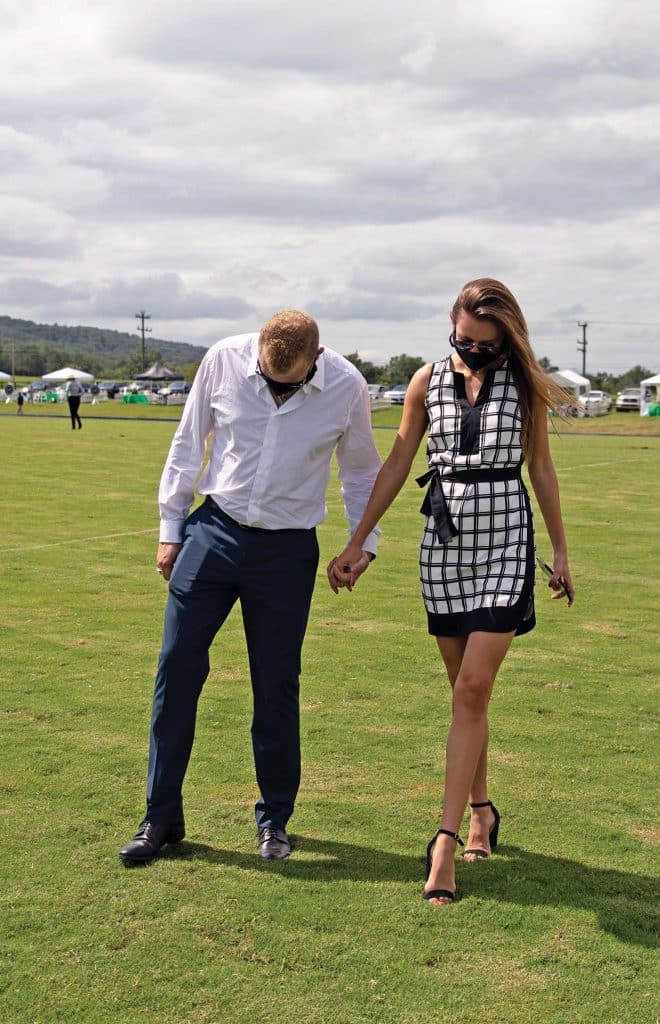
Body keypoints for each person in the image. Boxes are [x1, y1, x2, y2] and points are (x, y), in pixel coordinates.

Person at [329, 278, 574, 907]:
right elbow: (398, 462)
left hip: (505, 543)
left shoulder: (524, 388)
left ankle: (444, 839)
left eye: (486, 347)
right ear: (451, 325)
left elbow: (540, 466)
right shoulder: (424, 381)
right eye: (464, 341)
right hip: (443, 547)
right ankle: (482, 810)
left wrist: (562, 552)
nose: (472, 353)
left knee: (473, 688)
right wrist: (359, 541)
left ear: (508, 342)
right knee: (465, 691)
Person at [119, 310, 382, 866]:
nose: (272, 385)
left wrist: (362, 543)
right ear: (258, 351)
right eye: (265, 374)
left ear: (317, 358)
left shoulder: (347, 386)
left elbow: (360, 471)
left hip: (287, 551)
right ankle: (161, 816)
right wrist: (171, 530)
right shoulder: (222, 360)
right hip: (212, 532)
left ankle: (275, 821)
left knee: (276, 685)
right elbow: (188, 444)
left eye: (287, 381)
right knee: (176, 667)